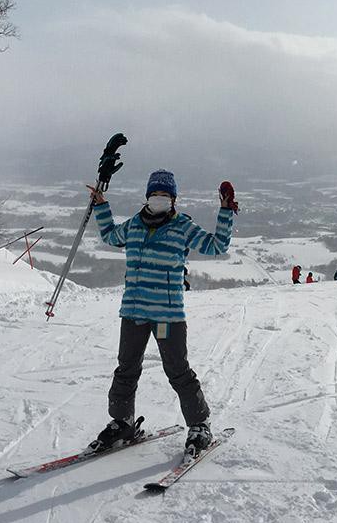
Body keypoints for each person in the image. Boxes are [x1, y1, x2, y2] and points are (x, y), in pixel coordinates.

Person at [86, 169, 239, 456]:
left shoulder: (183, 227)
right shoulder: (133, 225)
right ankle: (122, 422)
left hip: (168, 314)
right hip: (133, 311)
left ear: (173, 199)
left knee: (178, 371)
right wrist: (100, 205)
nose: (159, 199)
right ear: (147, 197)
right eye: (155, 194)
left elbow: (217, 245)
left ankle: (200, 425)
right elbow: (109, 235)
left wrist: (225, 211)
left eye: (165, 195)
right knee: (126, 369)